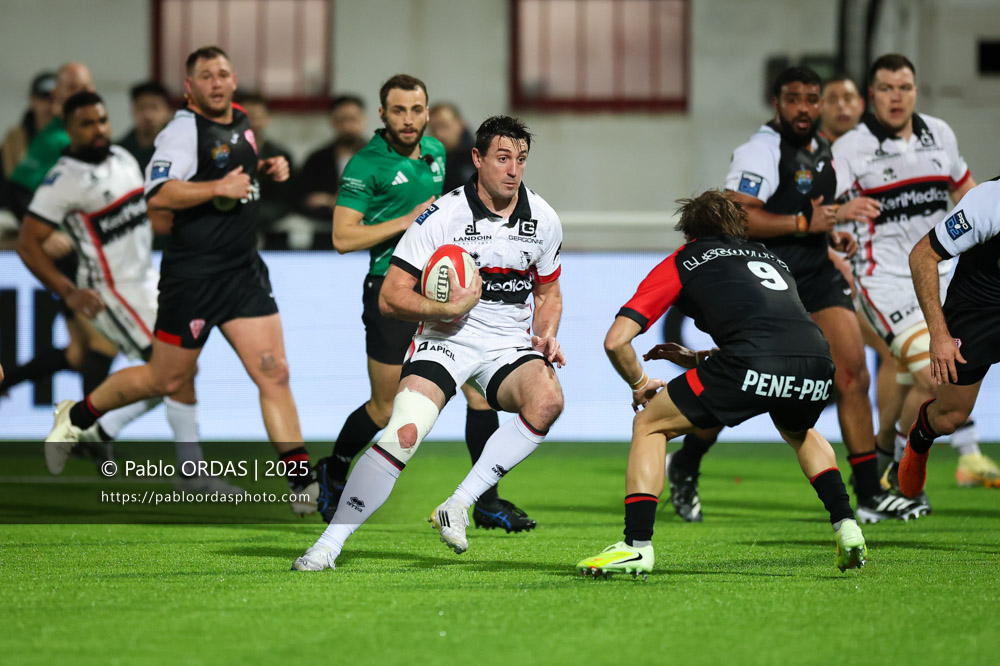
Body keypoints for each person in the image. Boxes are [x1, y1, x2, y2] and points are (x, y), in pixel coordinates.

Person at [43, 46, 318, 512]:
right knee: (164, 379)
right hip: (193, 277)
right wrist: (218, 188)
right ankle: (78, 415)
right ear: (189, 87)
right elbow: (158, 193)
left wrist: (267, 169)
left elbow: (239, 174)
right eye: (205, 76)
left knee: (275, 372)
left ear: (233, 81)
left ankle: (302, 483)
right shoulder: (181, 131)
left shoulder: (241, 120)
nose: (216, 82)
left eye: (223, 73)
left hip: (242, 272)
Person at [292, 115, 564, 571]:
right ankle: (328, 545)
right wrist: (445, 309)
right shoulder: (440, 217)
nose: (513, 169)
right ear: (477, 159)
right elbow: (392, 296)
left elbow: (549, 290)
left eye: (520, 159)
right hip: (446, 339)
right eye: (502, 158)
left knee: (548, 401)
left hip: (506, 345)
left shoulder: (544, 219)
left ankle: (458, 503)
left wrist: (547, 331)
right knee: (404, 432)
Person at [576, 190, 867, 577]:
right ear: (738, 228)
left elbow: (616, 340)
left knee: (650, 424)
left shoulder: (685, 260)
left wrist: (640, 382)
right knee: (799, 430)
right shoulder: (773, 259)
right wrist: (698, 359)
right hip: (816, 361)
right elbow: (774, 335)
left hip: (750, 361)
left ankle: (636, 546)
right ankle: (847, 526)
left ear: (689, 231)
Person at [677, 66, 921, 524]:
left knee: (852, 374)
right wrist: (809, 225)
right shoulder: (761, 151)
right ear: (777, 103)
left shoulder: (823, 149)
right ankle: (687, 463)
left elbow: (814, 215)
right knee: (742, 387)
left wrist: (830, 239)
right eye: (795, 99)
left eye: (813, 99)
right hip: (765, 282)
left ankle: (867, 491)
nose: (805, 108)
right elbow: (739, 217)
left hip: (814, 273)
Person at [314, 75, 536, 532]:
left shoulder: (435, 152)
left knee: (480, 396)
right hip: (392, 291)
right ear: (383, 115)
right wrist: (406, 220)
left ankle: (486, 501)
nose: (409, 119)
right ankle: (334, 468)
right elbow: (341, 237)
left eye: (417, 110)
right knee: (383, 407)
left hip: (450, 292)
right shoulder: (366, 164)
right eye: (399, 110)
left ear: (428, 112)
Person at [16, 90, 243, 494]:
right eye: (87, 123)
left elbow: (148, 217)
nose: (99, 129)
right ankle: (187, 472)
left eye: (102, 119)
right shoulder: (62, 179)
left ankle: (93, 425)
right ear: (69, 130)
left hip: (147, 282)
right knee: (173, 372)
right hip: (110, 291)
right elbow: (28, 244)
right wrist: (68, 292)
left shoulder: (122, 159)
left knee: (179, 372)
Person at [833, 54, 996, 492]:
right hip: (882, 278)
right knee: (931, 371)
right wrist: (840, 210)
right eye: (886, 88)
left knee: (913, 379)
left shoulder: (939, 134)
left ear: (916, 92)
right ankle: (959, 457)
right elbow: (812, 208)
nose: (896, 97)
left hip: (940, 271)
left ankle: (885, 457)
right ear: (872, 95)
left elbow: (966, 190)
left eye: (904, 88)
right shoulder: (849, 148)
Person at [900, 177, 1000, 496]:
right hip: (980, 310)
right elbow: (922, 256)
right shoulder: (990, 202)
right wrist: (939, 335)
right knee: (949, 418)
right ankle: (919, 440)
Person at [296, 94, 367, 223]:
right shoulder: (317, 159)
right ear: (332, 121)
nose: (347, 126)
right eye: (341, 120)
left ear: (363, 120)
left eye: (353, 119)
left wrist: (331, 201)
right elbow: (304, 200)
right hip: (325, 227)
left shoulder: (380, 158)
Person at [237, 92, 295, 231]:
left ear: (268, 119)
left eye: (256, 117)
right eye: (246, 116)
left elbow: (287, 198)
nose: (251, 122)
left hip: (270, 218)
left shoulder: (280, 155)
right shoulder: (224, 152)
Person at [1, 71, 56, 181]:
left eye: (53, 98)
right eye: (43, 97)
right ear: (32, 99)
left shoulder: (71, 135)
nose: (48, 104)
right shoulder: (15, 138)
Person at [117, 81, 173, 173]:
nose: (148, 115)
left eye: (154, 107)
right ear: (133, 111)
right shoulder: (120, 152)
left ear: (167, 111)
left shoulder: (179, 148)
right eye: (142, 107)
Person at [429, 102, 476, 193]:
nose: (439, 134)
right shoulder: (428, 162)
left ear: (460, 124)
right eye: (434, 129)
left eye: (445, 126)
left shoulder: (479, 157)